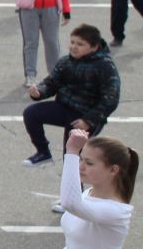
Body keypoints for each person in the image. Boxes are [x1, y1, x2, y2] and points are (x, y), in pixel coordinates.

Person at [23, 25, 121, 165]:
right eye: (72, 42)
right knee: (31, 113)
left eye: (80, 44)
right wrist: (39, 92)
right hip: (64, 108)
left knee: (71, 159)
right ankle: (43, 152)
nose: (74, 47)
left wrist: (88, 121)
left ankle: (76, 187)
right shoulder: (66, 61)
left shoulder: (105, 66)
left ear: (94, 47)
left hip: (86, 116)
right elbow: (51, 83)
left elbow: (111, 99)